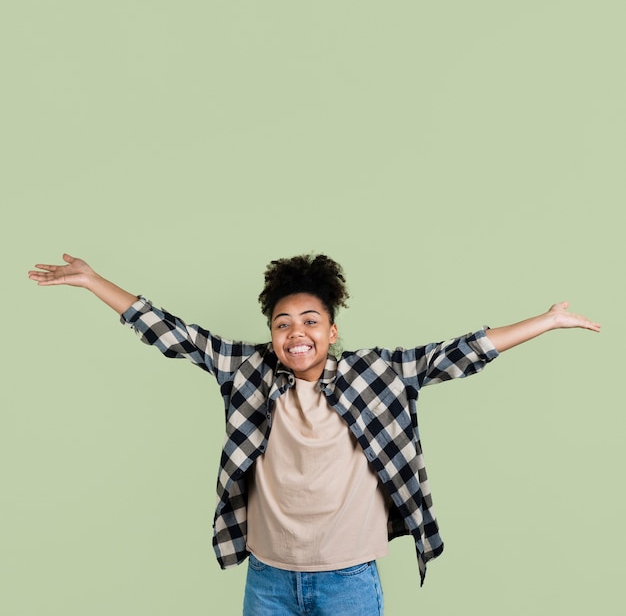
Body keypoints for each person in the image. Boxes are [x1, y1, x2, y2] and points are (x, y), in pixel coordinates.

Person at [28, 253, 600, 616]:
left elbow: (461, 352)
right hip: (269, 578)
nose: (295, 333)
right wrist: (93, 280)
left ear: (331, 330)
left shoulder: (375, 373)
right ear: (271, 336)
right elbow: (175, 334)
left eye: (308, 322)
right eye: (282, 324)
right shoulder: (247, 371)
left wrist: (546, 321)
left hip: (349, 579)